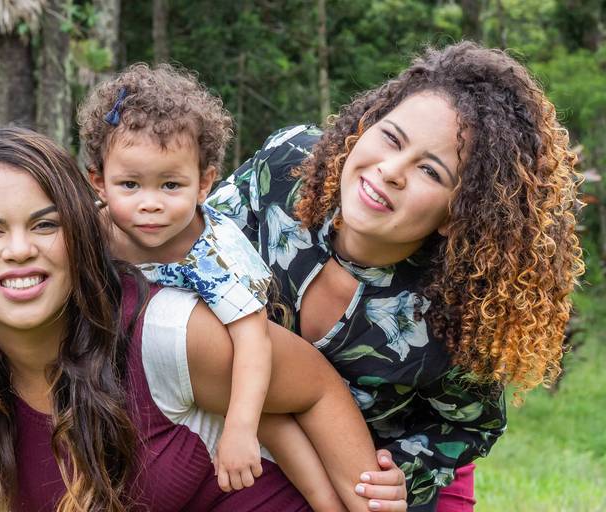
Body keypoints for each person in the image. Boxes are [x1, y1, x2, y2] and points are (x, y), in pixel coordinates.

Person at [0, 127, 408, 511]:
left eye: (45, 224)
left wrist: (365, 498)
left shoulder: (168, 330)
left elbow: (316, 386)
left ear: (81, 235)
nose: (19, 250)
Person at [205, 41, 584, 511]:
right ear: (364, 127)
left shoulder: (453, 313)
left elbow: (469, 425)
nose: (391, 171)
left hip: (363, 472)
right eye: (391, 138)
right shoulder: (284, 169)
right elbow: (194, 246)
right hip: (246, 433)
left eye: (430, 171)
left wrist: (405, 473)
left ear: (457, 215)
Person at [79, 64, 277, 496]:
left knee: (289, 429)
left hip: (239, 372)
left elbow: (254, 341)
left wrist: (240, 429)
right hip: (148, 376)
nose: (150, 204)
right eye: (130, 184)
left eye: (170, 185)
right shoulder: (88, 232)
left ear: (204, 183)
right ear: (99, 182)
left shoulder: (218, 253)